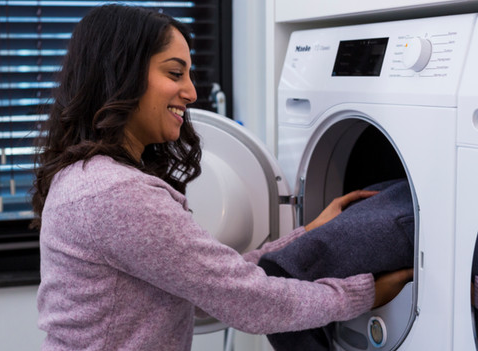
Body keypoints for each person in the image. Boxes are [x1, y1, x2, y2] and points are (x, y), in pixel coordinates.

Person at [31, 4, 412, 351]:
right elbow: (248, 300)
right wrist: (361, 295)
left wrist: (309, 231)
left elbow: (211, 277)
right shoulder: (115, 193)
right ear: (122, 74)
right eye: (175, 73)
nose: (192, 92)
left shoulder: (87, 178)